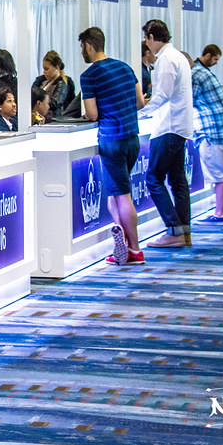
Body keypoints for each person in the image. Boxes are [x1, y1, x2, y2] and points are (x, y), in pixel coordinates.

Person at [78, 27, 145, 266]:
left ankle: (135, 249)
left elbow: (92, 114)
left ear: (87, 45)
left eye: (81, 47)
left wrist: (89, 115)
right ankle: (124, 243)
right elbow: (139, 102)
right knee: (114, 193)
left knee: (122, 194)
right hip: (132, 137)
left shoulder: (89, 75)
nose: (81, 53)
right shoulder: (126, 67)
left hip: (111, 139)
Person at [138, 19, 194, 248]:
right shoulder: (179, 56)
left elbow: (163, 95)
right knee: (178, 180)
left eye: (146, 39)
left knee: (154, 179)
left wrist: (142, 113)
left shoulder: (166, 60)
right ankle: (183, 230)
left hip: (168, 126)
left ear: (151, 37)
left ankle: (174, 230)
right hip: (178, 126)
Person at [191, 45, 223, 224]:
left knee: (221, 174)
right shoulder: (203, 73)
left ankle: (220, 213)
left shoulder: (195, 74)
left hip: (213, 133)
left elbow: (189, 101)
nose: (217, 63)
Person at [31, 50, 75, 117]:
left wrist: (41, 104)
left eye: (46, 69)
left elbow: (55, 103)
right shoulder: (41, 81)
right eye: (43, 69)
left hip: (54, 119)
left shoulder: (62, 84)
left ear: (56, 68)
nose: (44, 72)